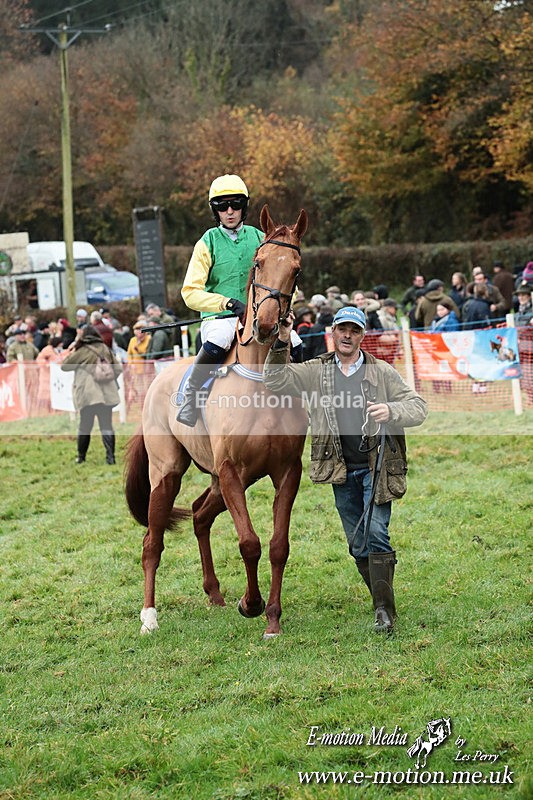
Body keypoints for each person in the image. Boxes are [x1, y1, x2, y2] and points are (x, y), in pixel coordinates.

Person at [263, 306, 428, 633]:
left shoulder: (380, 371)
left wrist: (390, 409)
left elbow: (418, 407)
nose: (347, 336)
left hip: (377, 467)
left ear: (362, 335)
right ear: (333, 332)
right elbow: (276, 379)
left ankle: (384, 610)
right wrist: (282, 339)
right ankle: (382, 595)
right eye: (342, 329)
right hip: (340, 470)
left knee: (377, 532)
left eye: (354, 330)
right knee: (357, 544)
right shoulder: (316, 370)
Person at [177, 174, 264, 426]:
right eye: (222, 206)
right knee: (219, 339)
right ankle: (190, 398)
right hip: (221, 319)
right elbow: (190, 292)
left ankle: (307, 402)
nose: (229, 211)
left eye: (235, 205)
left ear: (244, 207)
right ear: (214, 210)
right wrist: (226, 303)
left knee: (293, 340)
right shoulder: (207, 242)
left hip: (258, 317)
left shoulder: (260, 238)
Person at [61, 325, 122, 464]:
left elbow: (65, 365)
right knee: (106, 425)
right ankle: (110, 458)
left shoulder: (82, 351)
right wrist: (106, 377)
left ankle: (81, 457)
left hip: (88, 394)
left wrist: (74, 349)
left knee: (85, 426)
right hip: (106, 394)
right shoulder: (105, 348)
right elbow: (117, 368)